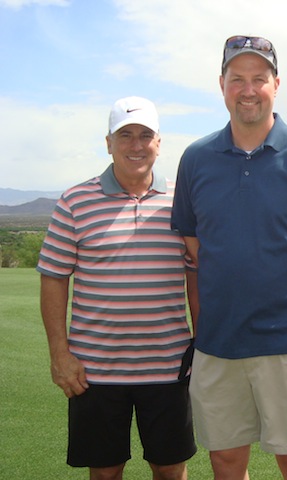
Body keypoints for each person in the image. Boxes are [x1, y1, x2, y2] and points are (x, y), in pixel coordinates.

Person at [170, 35, 287, 480]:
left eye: (259, 78)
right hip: (219, 342)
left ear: (276, 84)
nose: (248, 89)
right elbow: (194, 243)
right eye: (238, 79)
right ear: (221, 85)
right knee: (227, 461)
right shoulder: (196, 159)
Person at [38, 96, 198, 480]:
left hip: (169, 367)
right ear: (108, 142)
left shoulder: (183, 200)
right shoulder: (75, 201)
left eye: (145, 135)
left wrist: (203, 341)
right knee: (105, 472)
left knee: (171, 469)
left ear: (159, 142)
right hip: (95, 370)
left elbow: (196, 273)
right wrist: (60, 355)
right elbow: (54, 278)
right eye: (124, 135)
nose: (136, 145)